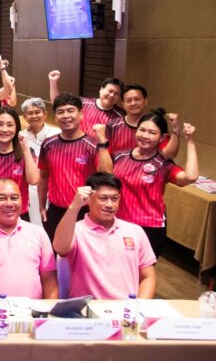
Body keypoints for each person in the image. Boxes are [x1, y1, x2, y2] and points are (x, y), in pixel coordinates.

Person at [53, 173, 157, 299]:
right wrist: (74, 206)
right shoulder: (76, 230)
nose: (109, 205)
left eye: (114, 199)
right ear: (88, 199)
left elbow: (148, 277)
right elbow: (60, 248)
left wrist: (138, 306)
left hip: (127, 308)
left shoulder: (135, 231)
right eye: (103, 198)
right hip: (88, 308)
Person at [112, 109, 198, 256]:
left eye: (152, 132)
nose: (145, 136)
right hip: (118, 224)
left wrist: (190, 141)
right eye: (142, 130)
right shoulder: (119, 157)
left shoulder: (163, 164)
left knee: (143, 270)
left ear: (162, 138)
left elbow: (190, 176)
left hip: (149, 227)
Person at [38, 93, 113, 243]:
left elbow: (106, 176)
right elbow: (43, 176)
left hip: (85, 212)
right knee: (54, 251)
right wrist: (41, 206)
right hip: (55, 210)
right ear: (55, 117)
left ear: (81, 114)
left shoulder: (94, 145)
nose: (66, 116)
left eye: (70, 110)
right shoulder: (48, 144)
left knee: (83, 254)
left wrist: (102, 144)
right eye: (60, 112)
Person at [107, 84, 179, 158]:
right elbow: (106, 154)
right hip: (118, 165)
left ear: (145, 101)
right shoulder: (112, 126)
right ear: (123, 104)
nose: (133, 103)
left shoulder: (156, 124)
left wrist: (175, 131)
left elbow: (169, 155)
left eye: (137, 99)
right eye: (128, 100)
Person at [49, 71, 126, 136]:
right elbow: (58, 104)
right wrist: (53, 82)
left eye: (116, 93)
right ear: (101, 89)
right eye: (110, 91)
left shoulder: (121, 116)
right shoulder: (83, 103)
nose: (112, 95)